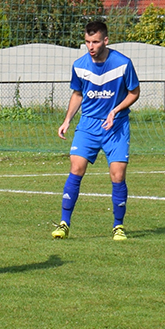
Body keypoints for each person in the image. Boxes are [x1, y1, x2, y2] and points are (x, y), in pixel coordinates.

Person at [54, 21, 140, 241]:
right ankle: (64, 223)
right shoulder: (80, 65)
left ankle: (118, 226)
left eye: (95, 41)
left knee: (118, 175)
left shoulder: (123, 64)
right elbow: (78, 94)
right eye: (87, 42)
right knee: (76, 167)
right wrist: (67, 121)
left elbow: (134, 92)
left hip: (116, 126)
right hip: (88, 125)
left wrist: (116, 110)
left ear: (105, 40)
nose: (90, 46)